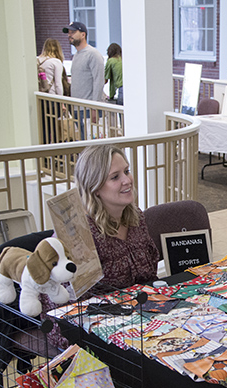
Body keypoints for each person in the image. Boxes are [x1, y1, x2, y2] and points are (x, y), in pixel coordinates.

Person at [42, 144, 159, 350]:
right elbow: (70, 309)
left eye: (126, 171)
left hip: (135, 317)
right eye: (115, 177)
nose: (127, 180)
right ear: (94, 187)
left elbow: (148, 277)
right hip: (91, 331)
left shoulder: (136, 217)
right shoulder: (79, 233)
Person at [63, 21, 105, 102]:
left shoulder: (93, 54)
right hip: (78, 107)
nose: (69, 35)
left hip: (88, 107)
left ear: (83, 35)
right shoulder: (76, 55)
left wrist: (95, 106)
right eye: (69, 33)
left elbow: (99, 81)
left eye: (73, 32)